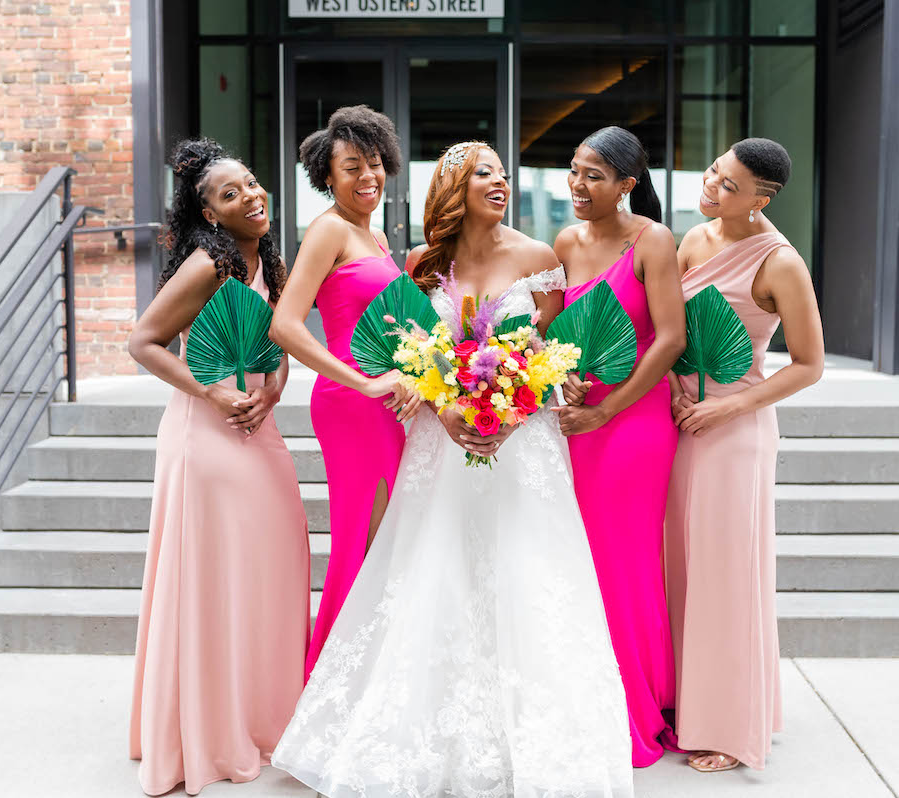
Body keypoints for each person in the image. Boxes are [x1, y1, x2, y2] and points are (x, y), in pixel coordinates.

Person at [271, 142, 634, 797]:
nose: (500, 182)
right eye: (483, 174)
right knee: (434, 570)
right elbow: (419, 357)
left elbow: (556, 357)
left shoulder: (539, 259)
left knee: (528, 573)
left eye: (502, 172)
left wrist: (518, 411)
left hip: (524, 447)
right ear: (453, 187)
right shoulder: (419, 264)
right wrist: (447, 412)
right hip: (440, 441)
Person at [127, 138, 310, 795]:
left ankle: (265, 715)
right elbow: (143, 341)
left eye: (253, 185)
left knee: (273, 566)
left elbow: (281, 343)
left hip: (257, 430)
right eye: (231, 194)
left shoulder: (274, 263)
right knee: (216, 579)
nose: (251, 197)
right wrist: (210, 391)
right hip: (203, 436)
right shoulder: (209, 264)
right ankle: (209, 728)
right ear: (210, 214)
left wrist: (276, 385)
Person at [664, 137, 824, 773]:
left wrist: (726, 408)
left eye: (730, 186)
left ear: (763, 197)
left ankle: (730, 729)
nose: (712, 188)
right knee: (682, 566)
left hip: (734, 430)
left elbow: (810, 365)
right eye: (713, 173)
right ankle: (691, 701)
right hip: (679, 421)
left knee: (726, 578)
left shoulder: (781, 262)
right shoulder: (693, 239)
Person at [268, 105, 421, 678]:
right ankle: (338, 686)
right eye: (352, 166)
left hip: (389, 407)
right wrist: (362, 381)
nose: (368, 177)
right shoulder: (329, 228)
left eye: (375, 163)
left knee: (386, 543)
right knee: (366, 543)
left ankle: (375, 679)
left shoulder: (376, 234)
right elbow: (285, 323)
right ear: (327, 178)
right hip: (352, 404)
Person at [552, 126, 686, 767]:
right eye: (574, 171)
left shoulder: (652, 239)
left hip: (632, 422)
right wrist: (559, 376)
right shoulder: (564, 242)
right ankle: (580, 698)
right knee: (575, 562)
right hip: (574, 421)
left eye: (595, 175)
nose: (578, 185)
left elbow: (668, 339)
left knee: (621, 562)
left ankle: (633, 705)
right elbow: (549, 332)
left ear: (627, 185)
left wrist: (610, 406)